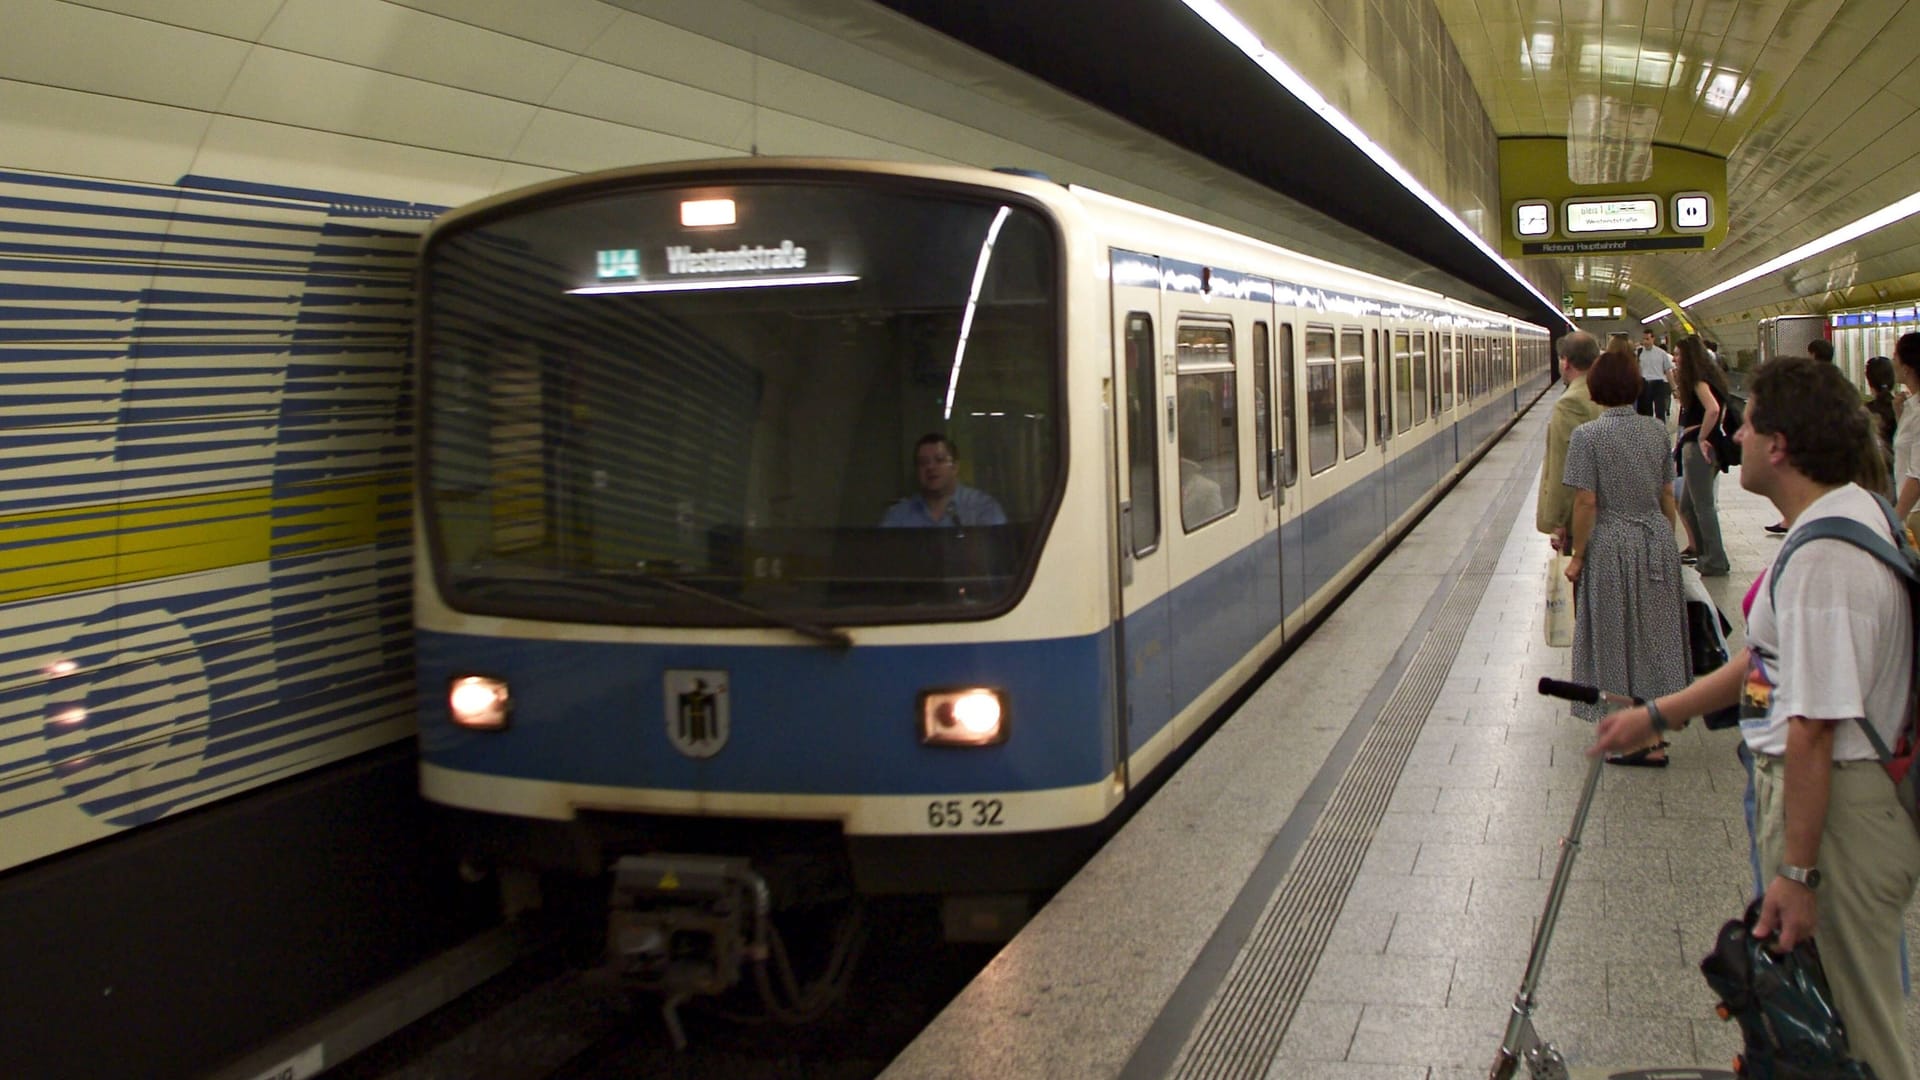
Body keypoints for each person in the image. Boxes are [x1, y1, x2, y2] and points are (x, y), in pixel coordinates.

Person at [1589, 357, 1920, 1080]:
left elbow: (1812, 723)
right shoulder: (1837, 522)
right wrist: (1659, 714)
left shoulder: (1829, 556)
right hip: (1826, 810)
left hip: (1835, 819)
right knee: (1821, 1022)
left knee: (1860, 1037)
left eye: (1748, 420)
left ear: (1781, 445)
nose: (1732, 433)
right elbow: (1767, 661)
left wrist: (1798, 873)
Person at [1563, 342, 1688, 763]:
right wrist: (1665, 543)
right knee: (1655, 638)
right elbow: (1667, 494)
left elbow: (1586, 502)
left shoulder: (1588, 436)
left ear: (1596, 388)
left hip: (1611, 544)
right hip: (1654, 538)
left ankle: (1628, 737)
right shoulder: (1656, 431)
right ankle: (1653, 732)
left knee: (1614, 639)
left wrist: (1578, 556)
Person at [1535, 331, 1605, 552]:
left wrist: (1559, 522)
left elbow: (1565, 467)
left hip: (1579, 517)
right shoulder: (1604, 392)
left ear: (1566, 362)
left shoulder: (1570, 403)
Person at [1671, 336, 1731, 576]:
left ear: (1689, 357)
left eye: (1677, 354)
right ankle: (1705, 553)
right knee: (1686, 505)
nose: (1674, 358)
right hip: (1702, 447)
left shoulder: (1698, 381)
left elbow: (1713, 409)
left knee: (1703, 505)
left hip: (1698, 450)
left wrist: (1701, 436)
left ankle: (1715, 559)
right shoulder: (1711, 377)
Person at [880, 433, 1007, 527]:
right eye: (923, 462)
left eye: (939, 460)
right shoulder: (899, 514)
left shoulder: (982, 507)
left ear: (955, 467)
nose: (930, 467)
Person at [1890, 333, 1920, 535]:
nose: (1893, 362)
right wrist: (1899, 413)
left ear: (1907, 368)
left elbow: (1918, 475)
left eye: (1896, 356)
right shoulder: (1911, 405)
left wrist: (1894, 520)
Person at [1863, 355, 1896, 497]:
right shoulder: (1905, 407)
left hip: (1877, 482)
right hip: (1904, 477)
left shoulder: (1864, 412)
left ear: (1869, 381)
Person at [1635, 330, 1673, 422]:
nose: (1645, 342)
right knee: (1646, 412)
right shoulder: (1639, 352)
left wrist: (1674, 387)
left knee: (1660, 411)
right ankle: (1648, 431)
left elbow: (1668, 371)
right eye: (1644, 339)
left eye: (1647, 339)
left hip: (1658, 383)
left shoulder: (1661, 353)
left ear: (1653, 339)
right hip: (1644, 383)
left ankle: (1661, 430)